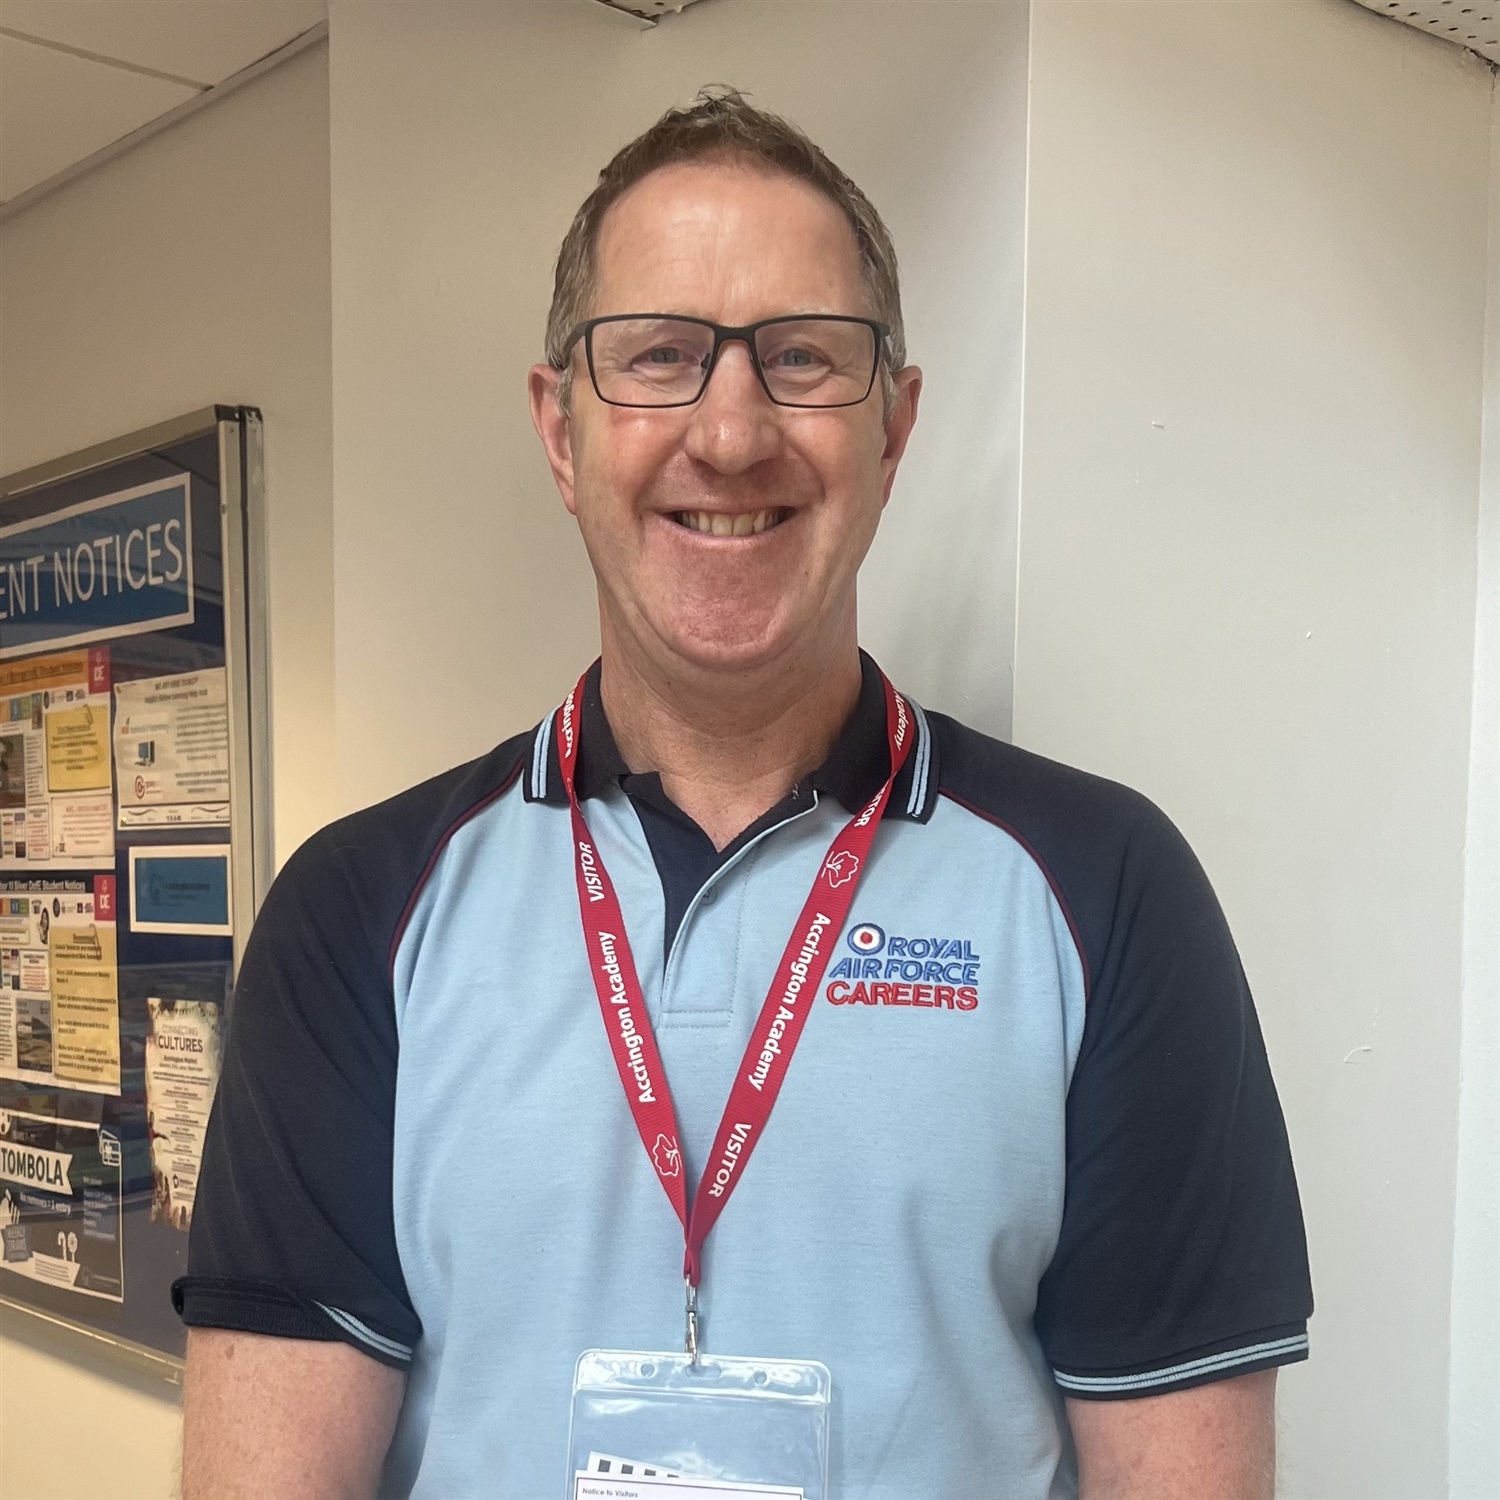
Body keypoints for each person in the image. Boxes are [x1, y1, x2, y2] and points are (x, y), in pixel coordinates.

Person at [176, 89, 1312, 1499]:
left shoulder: (1108, 890)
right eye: (657, 356)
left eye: (802, 357)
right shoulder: (356, 913)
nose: (729, 432)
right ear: (561, 431)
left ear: (894, 429)